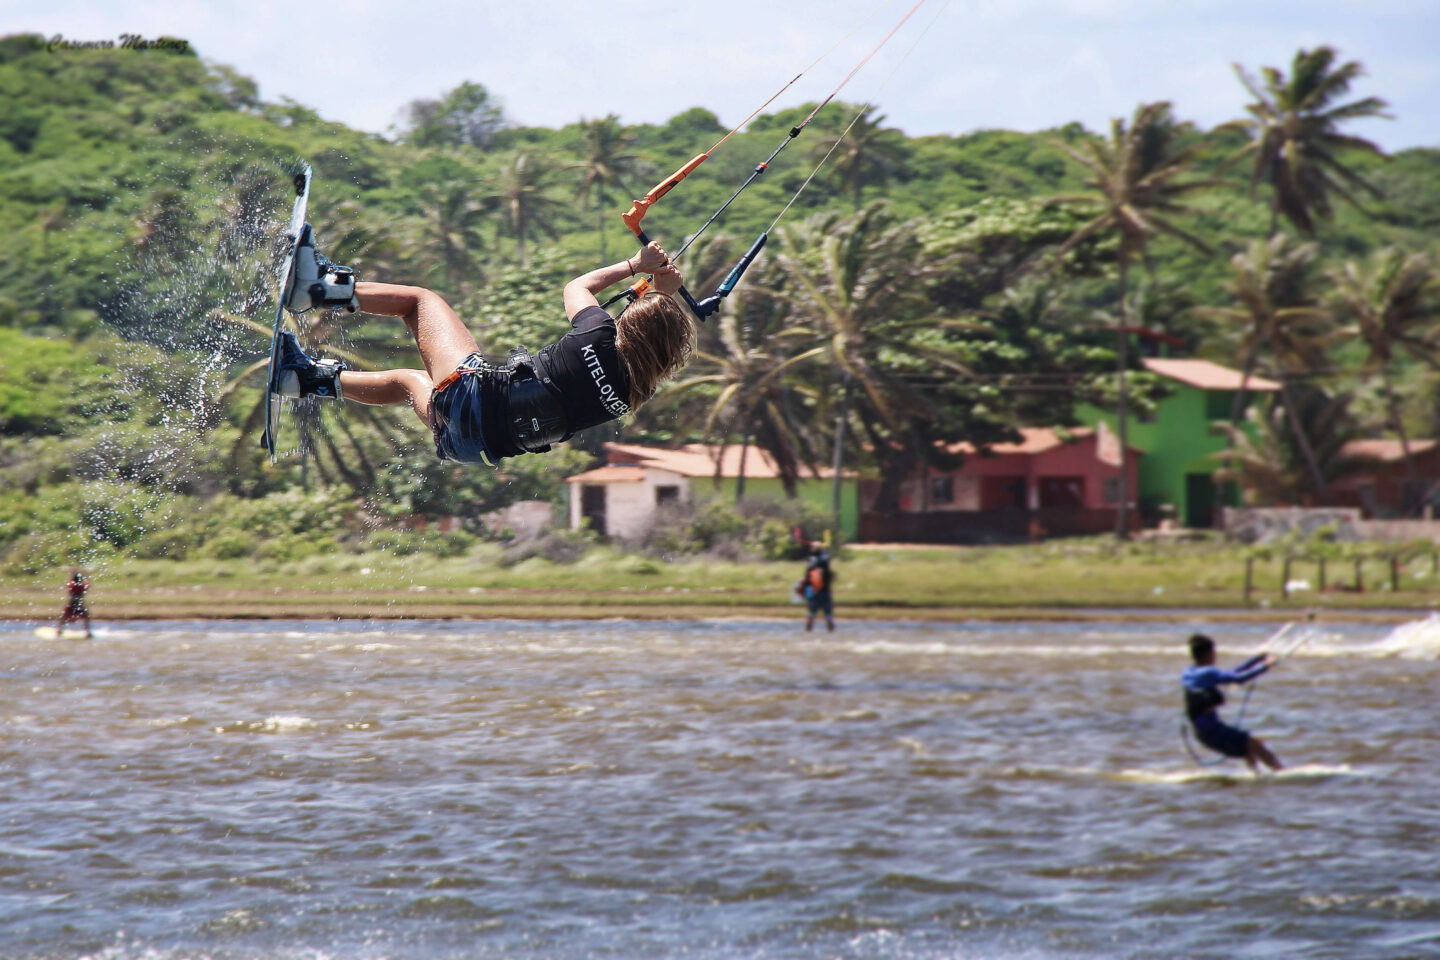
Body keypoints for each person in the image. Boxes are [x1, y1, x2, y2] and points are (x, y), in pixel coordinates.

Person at [272, 230, 694, 465]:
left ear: (631, 323)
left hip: (469, 395)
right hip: (470, 445)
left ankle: (316, 289)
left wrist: (638, 267)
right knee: (408, 383)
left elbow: (577, 287)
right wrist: (662, 297)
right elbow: (643, 340)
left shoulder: (598, 333)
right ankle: (302, 379)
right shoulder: (634, 394)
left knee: (420, 302)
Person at [1181, 633, 1282, 773]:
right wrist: (1266, 666)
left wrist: (1256, 660)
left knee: (1248, 747)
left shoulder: (1188, 673)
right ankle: (1280, 772)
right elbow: (1239, 678)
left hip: (1201, 733)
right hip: (1211, 732)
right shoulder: (1208, 673)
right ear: (1208, 654)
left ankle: (1257, 778)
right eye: (1213, 652)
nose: (1215, 656)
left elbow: (1232, 673)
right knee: (1253, 744)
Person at [798, 543, 835, 633]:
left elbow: (806, 580)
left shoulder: (811, 566)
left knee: (811, 614)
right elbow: (826, 560)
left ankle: (808, 632)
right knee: (828, 615)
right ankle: (831, 633)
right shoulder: (825, 565)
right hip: (825, 593)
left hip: (813, 593)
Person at [56, 568, 91, 639]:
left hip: (72, 603)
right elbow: (88, 583)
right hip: (80, 603)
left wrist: (71, 575)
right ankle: (87, 631)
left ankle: (60, 630)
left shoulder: (72, 584)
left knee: (65, 616)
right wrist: (85, 576)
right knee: (85, 617)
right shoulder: (82, 586)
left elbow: (69, 583)